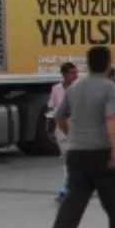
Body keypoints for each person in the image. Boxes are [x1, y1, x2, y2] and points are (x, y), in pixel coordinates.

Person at [47, 45, 115, 228]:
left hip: (77, 152)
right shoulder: (109, 88)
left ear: (87, 64)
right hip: (101, 151)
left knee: (74, 198)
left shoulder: (74, 87)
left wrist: (72, 136)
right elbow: (112, 119)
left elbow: (59, 117)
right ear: (108, 64)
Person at [49, 61, 78, 202]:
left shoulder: (79, 88)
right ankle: (66, 189)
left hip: (77, 130)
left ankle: (68, 188)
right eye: (72, 72)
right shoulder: (56, 89)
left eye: (76, 72)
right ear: (65, 74)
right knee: (68, 160)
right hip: (62, 130)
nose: (75, 75)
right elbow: (53, 108)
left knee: (75, 161)